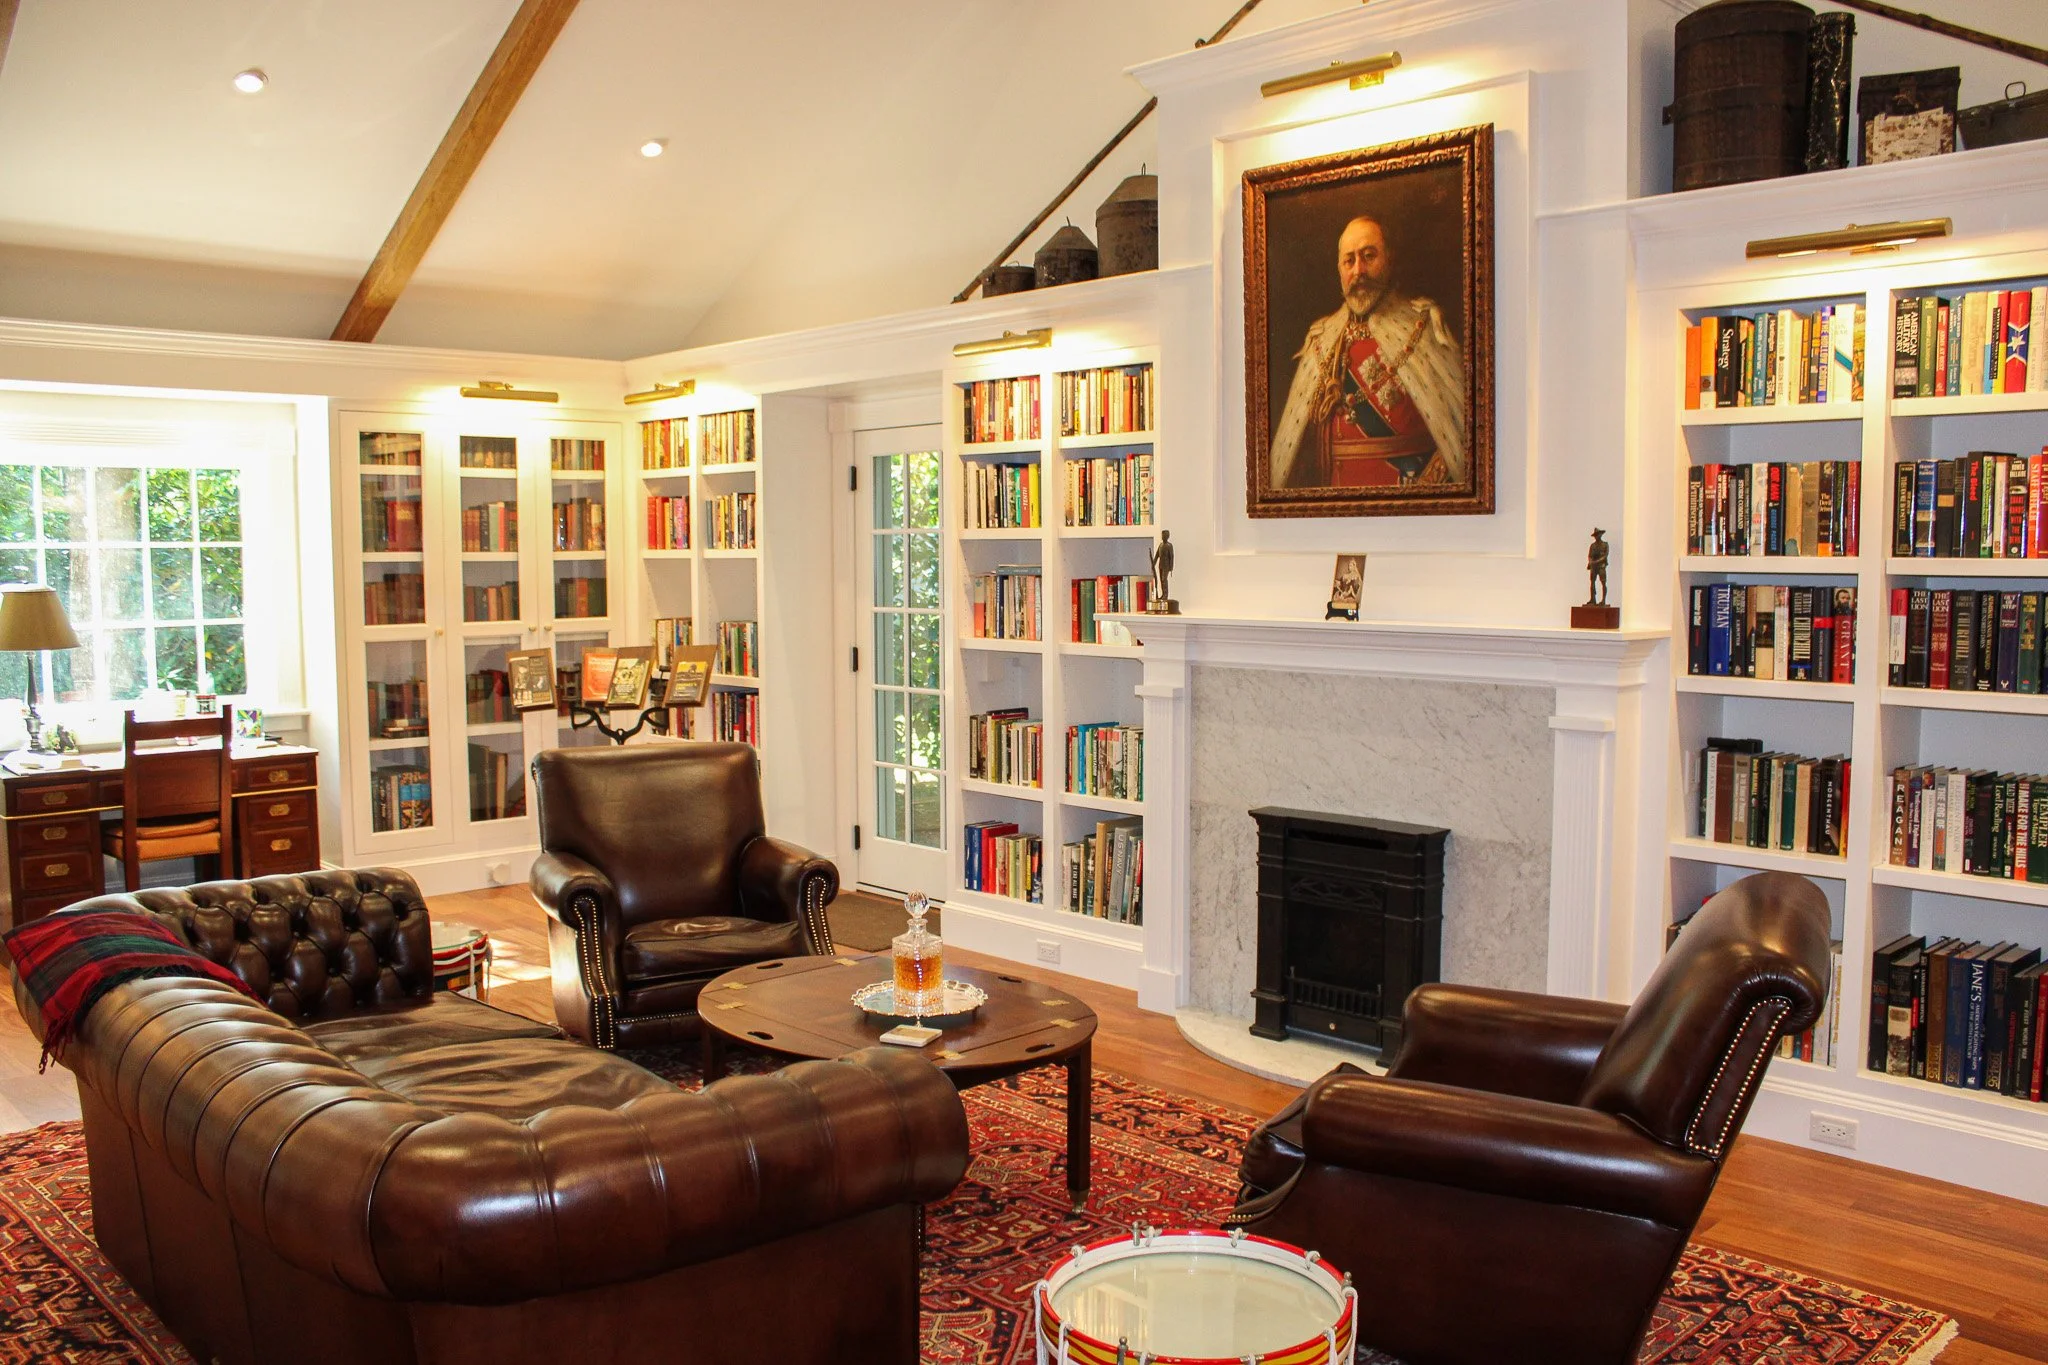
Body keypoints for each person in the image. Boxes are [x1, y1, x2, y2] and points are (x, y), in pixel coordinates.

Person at [1269, 215, 1468, 491]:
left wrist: (1422, 491)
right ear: (1339, 270)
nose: (1358, 270)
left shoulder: (1423, 329)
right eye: (1349, 261)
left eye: (1369, 256)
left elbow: (1459, 438)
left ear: (1388, 259)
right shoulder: (1322, 339)